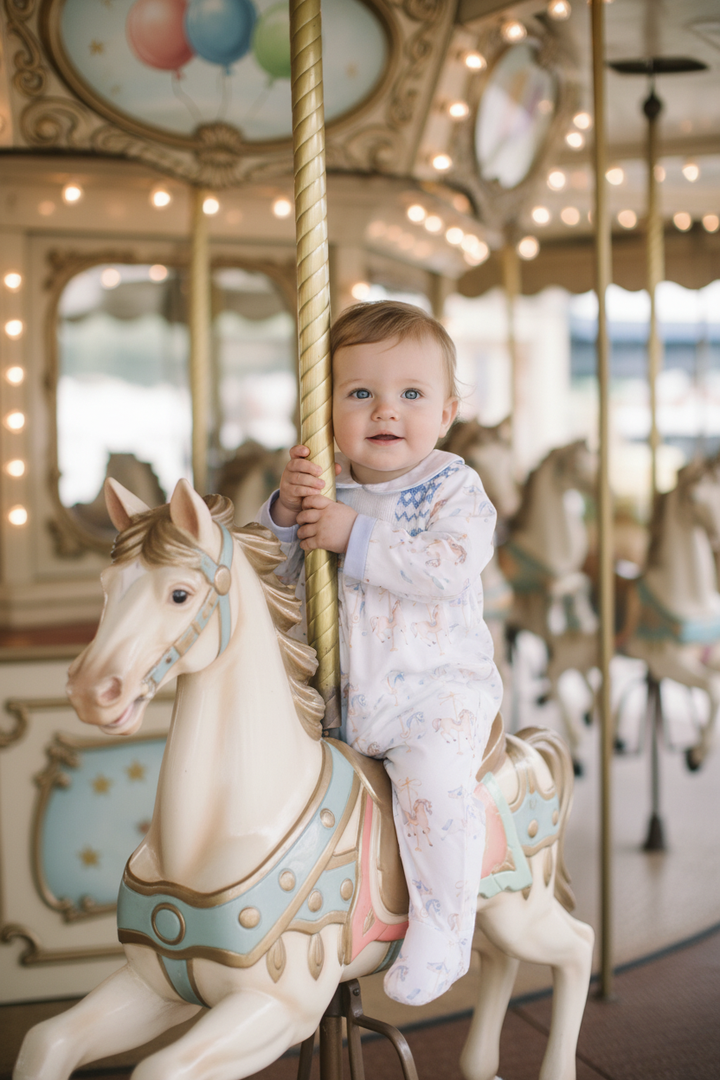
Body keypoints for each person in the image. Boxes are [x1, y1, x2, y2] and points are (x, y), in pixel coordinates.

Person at [256, 300, 502, 1005]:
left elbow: (447, 568)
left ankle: (445, 930)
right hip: (336, 697)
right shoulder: (323, 491)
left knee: (432, 789)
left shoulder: (452, 488)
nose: (385, 410)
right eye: (360, 393)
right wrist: (285, 512)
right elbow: (269, 578)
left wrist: (348, 534)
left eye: (411, 394)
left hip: (435, 695)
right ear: (324, 411)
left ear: (448, 411)